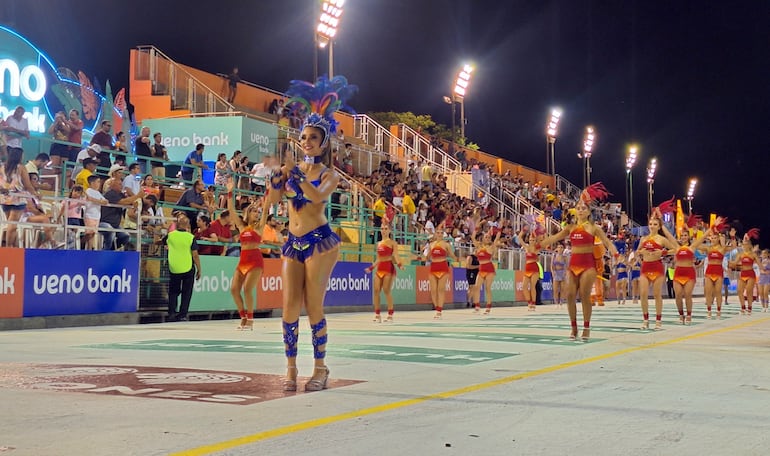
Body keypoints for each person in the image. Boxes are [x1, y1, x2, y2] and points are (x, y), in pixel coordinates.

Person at [264, 75, 355, 392]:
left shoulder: (329, 174)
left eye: (312, 138)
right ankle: (290, 368)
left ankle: (320, 368)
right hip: (292, 242)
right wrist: (277, 178)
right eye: (303, 137)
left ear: (323, 142)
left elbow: (316, 197)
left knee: (314, 305)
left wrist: (295, 175)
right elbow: (274, 202)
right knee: (289, 307)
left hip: (320, 244)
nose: (305, 142)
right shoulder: (293, 171)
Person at [540, 183, 618, 341]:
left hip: (588, 265)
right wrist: (536, 246)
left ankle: (586, 327)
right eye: (578, 208)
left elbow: (607, 242)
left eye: (584, 208)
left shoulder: (594, 228)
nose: (581, 210)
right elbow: (554, 238)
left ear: (589, 211)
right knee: (569, 295)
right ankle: (573, 327)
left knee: (584, 295)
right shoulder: (570, 227)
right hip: (573, 265)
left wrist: (615, 252)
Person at [226, 178, 268, 330]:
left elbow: (267, 206)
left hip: (256, 261)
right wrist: (230, 193)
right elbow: (231, 211)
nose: (257, 213)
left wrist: (268, 192)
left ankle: (250, 319)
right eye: (254, 211)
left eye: (258, 211)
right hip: (243, 260)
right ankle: (243, 315)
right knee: (234, 289)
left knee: (248, 289)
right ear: (248, 213)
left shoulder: (259, 227)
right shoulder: (241, 226)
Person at [635, 208, 678, 330]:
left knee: (656, 294)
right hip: (645, 267)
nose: (652, 226)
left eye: (655, 224)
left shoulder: (662, 239)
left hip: (657, 267)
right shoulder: (643, 239)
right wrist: (640, 252)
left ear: (659, 226)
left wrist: (663, 252)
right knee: (643, 294)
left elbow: (675, 249)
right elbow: (637, 251)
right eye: (650, 224)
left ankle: (658, 320)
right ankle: (646, 319)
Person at [660, 225, 707, 324]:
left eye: (685, 235)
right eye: (682, 235)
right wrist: (661, 224)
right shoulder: (677, 247)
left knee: (687, 294)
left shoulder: (692, 247)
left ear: (688, 237)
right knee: (677, 295)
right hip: (678, 273)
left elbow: (702, 238)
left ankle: (689, 314)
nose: (683, 237)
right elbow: (668, 235)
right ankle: (681, 314)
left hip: (689, 274)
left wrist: (712, 227)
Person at [161, 214, 201, 321]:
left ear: (177, 224)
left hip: (174, 268)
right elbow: (195, 255)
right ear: (188, 225)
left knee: (173, 292)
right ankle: (182, 314)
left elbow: (162, 241)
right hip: (187, 268)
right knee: (186, 292)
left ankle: (171, 313)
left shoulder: (171, 235)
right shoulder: (190, 237)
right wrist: (199, 269)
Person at [365, 222, 403, 322]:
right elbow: (378, 258)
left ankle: (390, 314)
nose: (384, 231)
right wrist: (371, 267)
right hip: (380, 268)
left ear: (389, 230)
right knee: (376, 291)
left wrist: (399, 264)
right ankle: (377, 315)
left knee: (386, 290)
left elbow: (395, 255)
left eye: (386, 229)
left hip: (388, 268)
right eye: (382, 229)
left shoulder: (392, 243)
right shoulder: (378, 244)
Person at [0, 147, 38, 247]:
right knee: (12, 225)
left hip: (5, 198)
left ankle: (11, 246)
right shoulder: (21, 167)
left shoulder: (3, 167)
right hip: (18, 198)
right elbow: (27, 184)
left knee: (10, 225)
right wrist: (35, 194)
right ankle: (9, 248)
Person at [423, 221, 458, 319]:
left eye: (441, 233)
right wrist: (419, 257)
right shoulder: (431, 245)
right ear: (435, 234)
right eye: (437, 233)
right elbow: (427, 257)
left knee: (441, 290)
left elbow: (452, 255)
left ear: (443, 234)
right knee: (433, 290)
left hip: (443, 267)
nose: (439, 234)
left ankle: (439, 311)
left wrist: (457, 259)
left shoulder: (446, 245)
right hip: (433, 266)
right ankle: (437, 307)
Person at [471, 217, 504, 314]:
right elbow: (473, 237)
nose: (487, 238)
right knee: (476, 287)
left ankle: (488, 307)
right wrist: (477, 226)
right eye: (486, 237)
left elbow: (497, 236)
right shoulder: (479, 246)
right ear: (483, 238)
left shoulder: (491, 247)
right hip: (481, 268)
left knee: (487, 288)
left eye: (489, 237)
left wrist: (499, 228)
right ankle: (477, 306)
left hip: (489, 268)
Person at [731, 230, 760, 315]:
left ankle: (749, 308)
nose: (743, 244)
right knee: (739, 291)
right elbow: (734, 262)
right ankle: (743, 307)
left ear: (749, 245)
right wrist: (730, 263)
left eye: (745, 243)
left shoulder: (753, 254)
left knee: (748, 291)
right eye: (743, 243)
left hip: (750, 273)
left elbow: (759, 264)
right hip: (743, 273)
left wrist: (763, 270)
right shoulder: (740, 253)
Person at [519, 229, 542, 311]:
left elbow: (542, 241)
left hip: (534, 268)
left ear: (535, 240)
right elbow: (520, 239)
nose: (531, 241)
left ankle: (533, 303)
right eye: (530, 240)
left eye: (533, 240)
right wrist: (522, 232)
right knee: (524, 286)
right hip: (527, 268)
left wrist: (538, 233)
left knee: (532, 286)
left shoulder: (537, 248)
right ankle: (529, 302)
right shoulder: (526, 247)